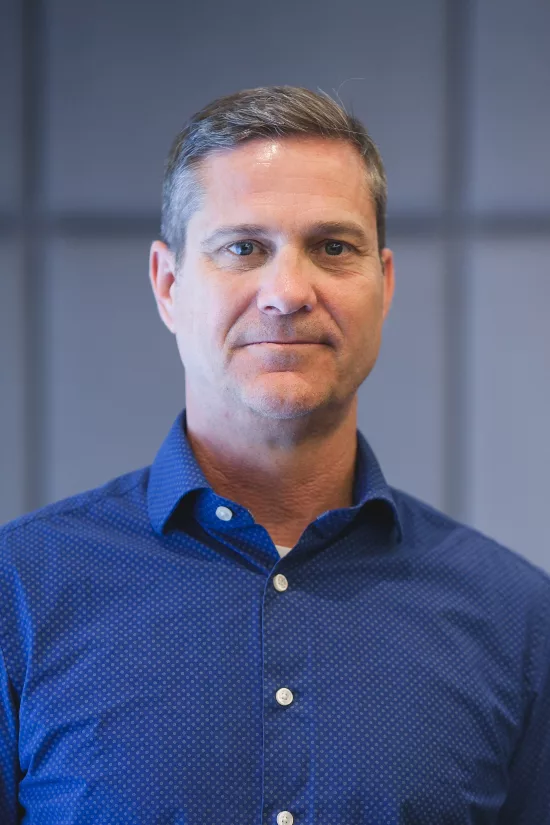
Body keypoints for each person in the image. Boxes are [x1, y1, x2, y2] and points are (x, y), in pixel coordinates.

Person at [1, 85, 549, 825]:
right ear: (168, 285)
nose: (288, 292)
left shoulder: (518, 619)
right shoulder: (19, 596)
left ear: (384, 284)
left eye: (333, 247)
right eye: (243, 248)